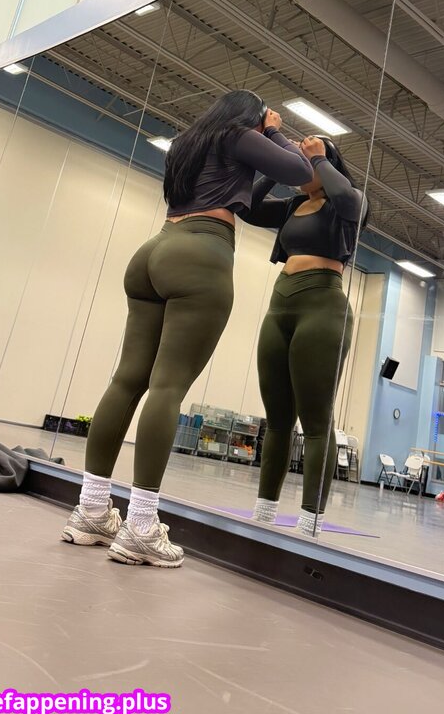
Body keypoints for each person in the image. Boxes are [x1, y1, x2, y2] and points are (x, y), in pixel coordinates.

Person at [61, 91, 312, 567]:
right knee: (168, 386)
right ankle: (140, 526)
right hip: (201, 254)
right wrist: (273, 130)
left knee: (126, 380)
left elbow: (246, 200)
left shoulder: (186, 144)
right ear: (250, 117)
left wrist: (261, 157)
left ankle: (91, 511)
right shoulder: (238, 135)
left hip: (153, 250)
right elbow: (299, 171)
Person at [238, 135, 365, 536]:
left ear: (327, 165)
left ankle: (311, 517)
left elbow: (347, 200)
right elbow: (247, 207)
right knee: (277, 419)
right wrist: (276, 168)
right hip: (281, 307)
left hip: (323, 308)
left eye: (308, 163)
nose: (302, 169)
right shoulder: (294, 205)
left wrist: (320, 158)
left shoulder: (348, 201)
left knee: (316, 420)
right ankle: (264, 510)